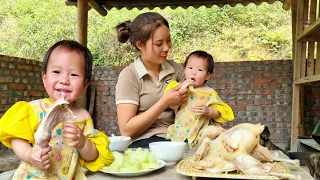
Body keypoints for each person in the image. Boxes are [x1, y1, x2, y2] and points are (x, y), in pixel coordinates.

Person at [0, 40, 114, 179]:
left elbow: (92, 156)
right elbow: (17, 139)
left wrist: (83, 143)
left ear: (85, 84)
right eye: (56, 72)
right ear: (44, 77)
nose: (64, 80)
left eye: (73, 75)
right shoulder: (34, 109)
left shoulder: (83, 117)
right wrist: (30, 155)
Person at [115, 12, 189, 148]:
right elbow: (126, 130)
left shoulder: (176, 69)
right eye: (159, 43)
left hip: (179, 138)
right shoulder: (129, 76)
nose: (166, 47)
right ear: (140, 45)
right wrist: (165, 102)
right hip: (145, 143)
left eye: (168, 40)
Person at [165, 50, 235, 149]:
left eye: (200, 70)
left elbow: (220, 112)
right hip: (180, 132)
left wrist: (209, 111)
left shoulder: (210, 93)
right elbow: (172, 105)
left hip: (200, 135)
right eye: (190, 68)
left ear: (208, 75)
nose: (193, 72)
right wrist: (182, 89)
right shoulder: (178, 87)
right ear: (184, 70)